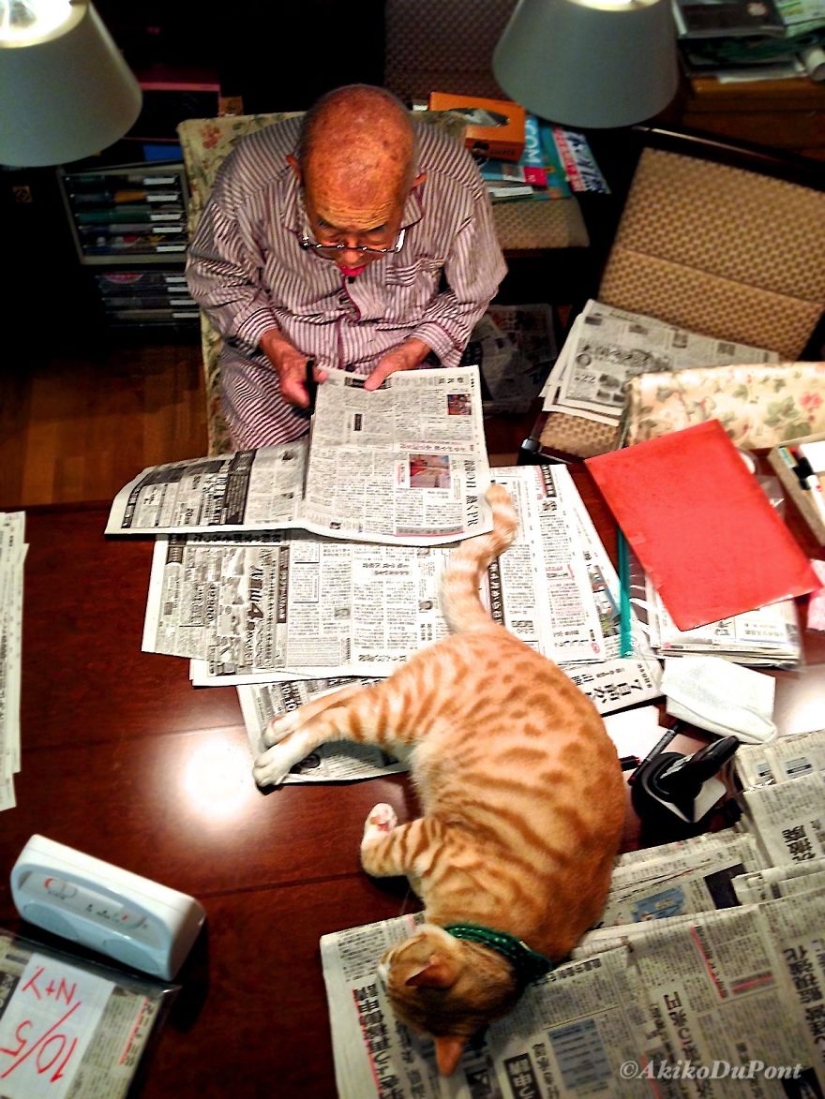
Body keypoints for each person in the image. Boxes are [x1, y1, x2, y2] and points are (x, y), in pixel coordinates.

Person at [186, 84, 507, 449]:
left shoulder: (454, 182)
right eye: (328, 229)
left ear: (413, 187)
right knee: (274, 474)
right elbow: (216, 277)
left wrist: (412, 352)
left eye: (376, 231)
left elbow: (471, 292)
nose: (350, 257)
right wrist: (280, 352)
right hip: (274, 361)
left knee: (416, 475)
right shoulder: (250, 176)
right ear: (298, 176)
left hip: (403, 359)